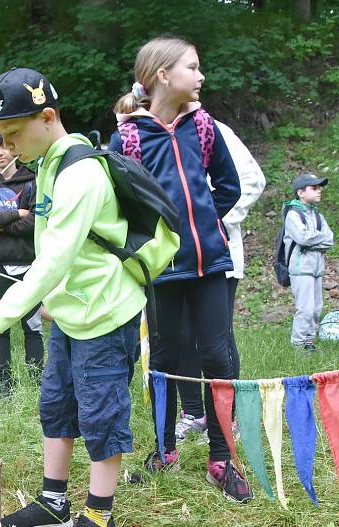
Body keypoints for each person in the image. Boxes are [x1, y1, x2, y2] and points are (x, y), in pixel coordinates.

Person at [0, 67, 146, 527]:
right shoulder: (48, 166)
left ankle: (100, 519)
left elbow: (51, 262)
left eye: (14, 133)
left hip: (106, 313)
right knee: (57, 403)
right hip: (71, 313)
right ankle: (54, 500)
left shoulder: (80, 173)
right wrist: (53, 300)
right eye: (1, 137)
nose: (6, 146)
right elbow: (52, 247)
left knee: (100, 411)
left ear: (47, 117)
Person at [109, 36, 250, 502]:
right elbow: (124, 208)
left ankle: (221, 458)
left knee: (217, 356)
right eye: (193, 67)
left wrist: (205, 223)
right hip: (161, 270)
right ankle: (164, 450)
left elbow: (227, 185)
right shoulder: (128, 137)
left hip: (211, 263)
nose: (201, 75)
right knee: (165, 360)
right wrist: (155, 245)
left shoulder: (203, 125)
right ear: (163, 75)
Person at [175, 123, 265, 440]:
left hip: (217, 254)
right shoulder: (153, 130)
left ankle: (228, 417)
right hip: (175, 257)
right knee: (181, 335)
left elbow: (252, 181)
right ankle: (193, 413)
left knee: (217, 339)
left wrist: (208, 221)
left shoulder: (211, 128)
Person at [0, 127, 43, 396]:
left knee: (33, 325)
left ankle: (37, 383)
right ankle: (4, 383)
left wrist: (0, 221)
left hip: (29, 264)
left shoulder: (34, 182)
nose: (0, 153)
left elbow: (35, 223)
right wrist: (18, 213)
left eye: (3, 146)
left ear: (14, 148)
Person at [283, 173, 334, 350]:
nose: (319, 191)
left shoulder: (318, 216)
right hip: (301, 269)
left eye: (319, 187)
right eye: (314, 188)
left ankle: (309, 342)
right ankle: (298, 345)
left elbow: (330, 240)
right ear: (301, 193)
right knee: (304, 309)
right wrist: (319, 239)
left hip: (317, 269)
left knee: (316, 308)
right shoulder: (293, 215)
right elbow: (302, 238)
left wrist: (315, 239)